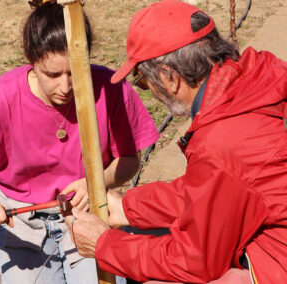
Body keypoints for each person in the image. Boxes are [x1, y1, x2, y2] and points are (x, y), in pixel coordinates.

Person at [0, 1, 160, 283]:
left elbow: (129, 161)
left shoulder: (110, 88)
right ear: (31, 60)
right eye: (52, 75)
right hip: (22, 228)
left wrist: (97, 182)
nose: (65, 87)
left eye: (74, 73)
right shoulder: (0, 100)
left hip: (86, 214)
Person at [65, 0, 287, 283]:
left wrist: (103, 245)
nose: (149, 91)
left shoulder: (222, 139)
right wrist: (128, 208)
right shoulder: (257, 77)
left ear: (169, 77)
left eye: (144, 81)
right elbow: (215, 188)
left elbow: (196, 260)